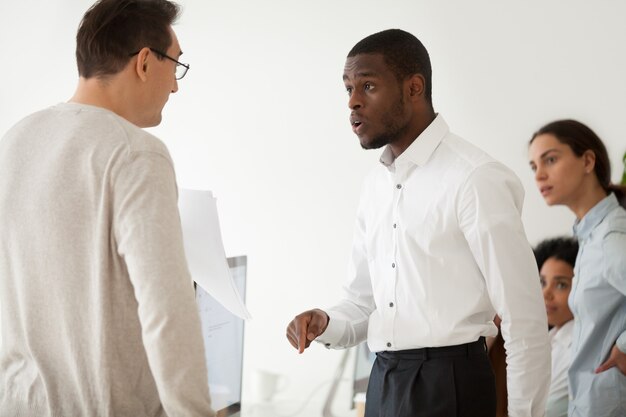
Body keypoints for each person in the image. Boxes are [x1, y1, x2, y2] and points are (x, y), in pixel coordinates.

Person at [286, 29, 551, 417]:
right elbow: (364, 304)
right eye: (348, 89)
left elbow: (523, 319)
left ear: (413, 87)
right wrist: (326, 323)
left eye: (368, 85)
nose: (353, 102)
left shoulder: (475, 178)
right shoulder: (375, 185)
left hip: (452, 386)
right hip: (383, 382)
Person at [0, 1, 215, 416]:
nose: (175, 86)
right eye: (176, 65)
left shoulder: (13, 142)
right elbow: (167, 312)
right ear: (146, 62)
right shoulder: (136, 154)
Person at [528, 119, 626, 417]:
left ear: (587, 161)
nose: (539, 175)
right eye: (534, 167)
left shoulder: (611, 238)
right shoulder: (591, 236)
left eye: (551, 160)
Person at [534, 237, 578, 417]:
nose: (546, 294)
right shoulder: (553, 336)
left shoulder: (576, 343)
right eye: (543, 282)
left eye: (561, 285)